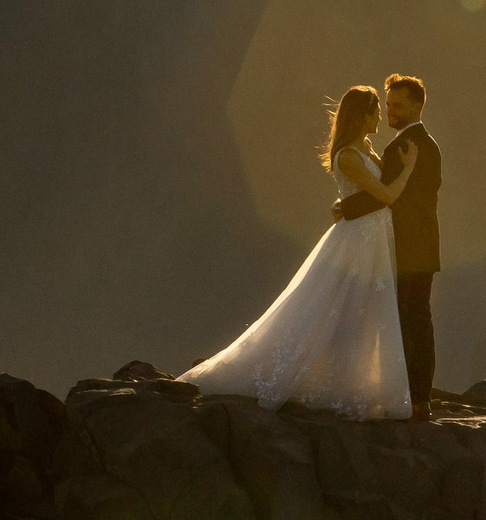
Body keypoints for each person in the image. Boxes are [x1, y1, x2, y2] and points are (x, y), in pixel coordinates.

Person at [180, 85, 420, 418]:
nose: (380, 116)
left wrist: (344, 202)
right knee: (339, 308)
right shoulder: (349, 156)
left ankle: (350, 382)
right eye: (376, 111)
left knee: (361, 310)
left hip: (370, 237)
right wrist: (408, 168)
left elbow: (359, 194)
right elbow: (386, 195)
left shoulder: (362, 149)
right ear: (362, 115)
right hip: (357, 241)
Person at [333, 73, 440, 418]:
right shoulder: (424, 143)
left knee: (408, 319)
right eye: (387, 104)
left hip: (407, 248)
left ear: (416, 105)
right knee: (413, 318)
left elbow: (394, 198)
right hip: (418, 246)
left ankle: (413, 397)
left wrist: (346, 207)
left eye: (396, 105)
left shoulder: (405, 147)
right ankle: (415, 396)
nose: (389, 111)